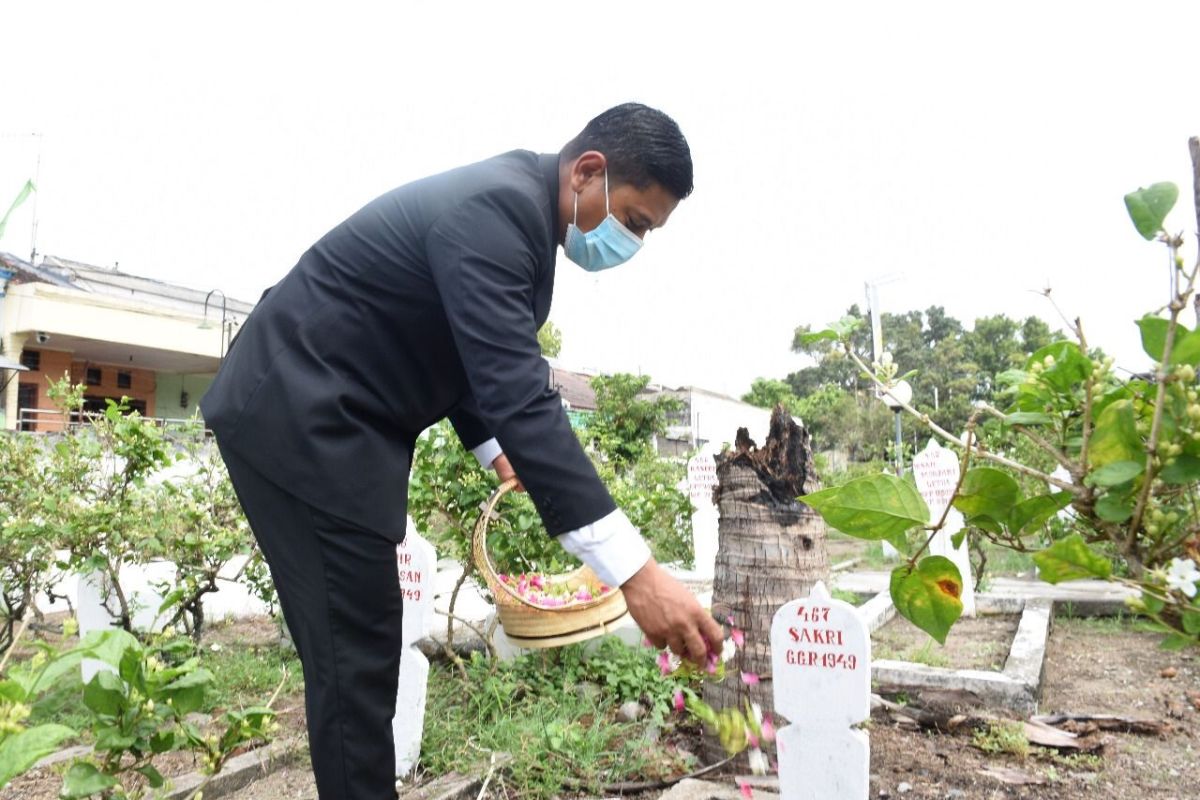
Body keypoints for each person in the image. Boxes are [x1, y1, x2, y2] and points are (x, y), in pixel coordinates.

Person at [200, 102, 724, 799]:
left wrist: (493, 448)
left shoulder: (519, 210)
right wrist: (638, 574)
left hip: (326, 415)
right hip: (300, 415)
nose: (631, 243)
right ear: (589, 172)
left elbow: (459, 351)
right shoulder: (495, 214)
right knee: (355, 652)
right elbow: (518, 392)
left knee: (359, 646)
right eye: (633, 220)